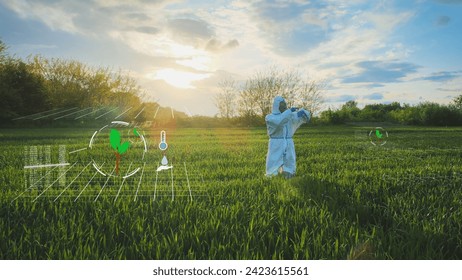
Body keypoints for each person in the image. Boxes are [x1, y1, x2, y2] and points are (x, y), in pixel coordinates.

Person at [265, 96, 310, 178]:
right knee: (273, 159)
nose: (284, 106)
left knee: (289, 159)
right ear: (276, 105)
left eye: (284, 104)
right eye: (281, 104)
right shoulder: (270, 117)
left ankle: (289, 174)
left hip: (288, 141)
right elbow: (279, 122)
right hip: (276, 143)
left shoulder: (289, 115)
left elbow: (303, 118)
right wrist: (289, 112)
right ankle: (271, 176)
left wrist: (303, 113)